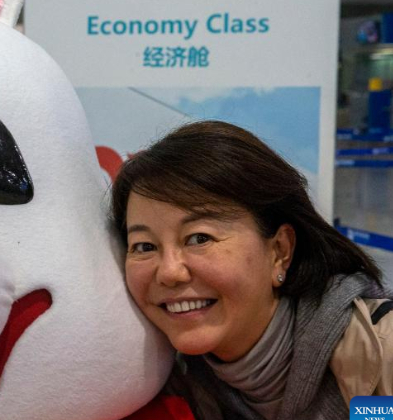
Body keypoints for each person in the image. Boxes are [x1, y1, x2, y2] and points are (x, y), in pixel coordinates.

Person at [110, 120, 392, 420]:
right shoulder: (164, 387)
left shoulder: (381, 353)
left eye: (199, 238)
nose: (169, 272)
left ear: (280, 251)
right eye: (144, 246)